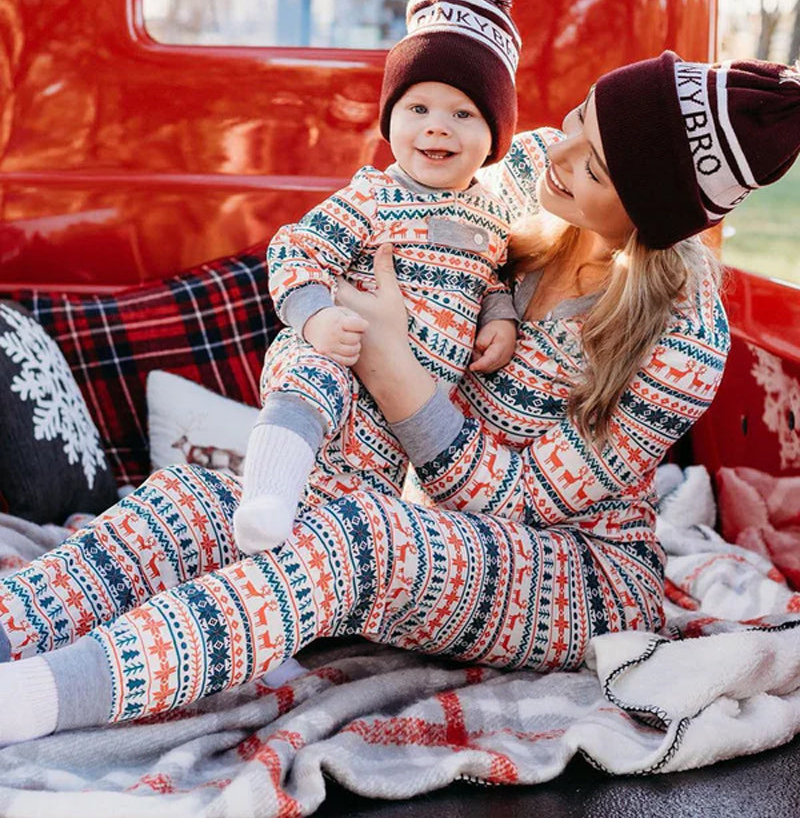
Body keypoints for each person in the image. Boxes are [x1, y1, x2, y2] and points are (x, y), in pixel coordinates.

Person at [0, 52, 798, 745]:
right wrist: (324, 322)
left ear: (651, 217)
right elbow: (403, 220)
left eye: (595, 167)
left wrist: (389, 361)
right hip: (433, 517)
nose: (561, 152)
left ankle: (30, 704)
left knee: (356, 539)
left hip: (581, 574)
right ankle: (11, 628)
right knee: (199, 498)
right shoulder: (526, 172)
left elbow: (515, 504)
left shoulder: (684, 342)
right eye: (578, 117)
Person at [234, 0, 521, 552]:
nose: (437, 128)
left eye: (463, 114)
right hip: (341, 353)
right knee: (310, 379)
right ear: (391, 120)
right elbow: (297, 247)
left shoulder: (493, 218)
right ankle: (265, 492)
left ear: (495, 135)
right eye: (418, 109)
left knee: (362, 502)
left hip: (407, 399)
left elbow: (489, 278)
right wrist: (315, 317)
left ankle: (319, 568)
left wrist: (500, 317)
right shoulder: (372, 196)